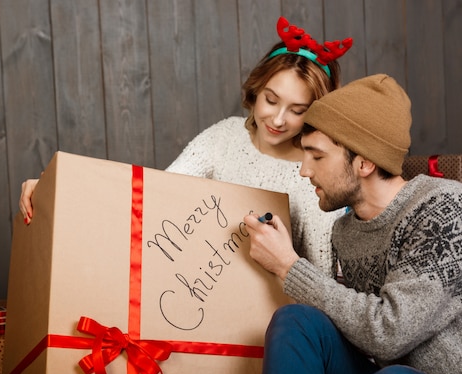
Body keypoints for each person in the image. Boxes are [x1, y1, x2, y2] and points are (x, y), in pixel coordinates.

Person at [243, 74, 462, 374]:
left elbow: (389, 332)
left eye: (317, 157)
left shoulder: (447, 208)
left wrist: (289, 267)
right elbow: (358, 328)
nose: (304, 171)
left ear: (364, 162)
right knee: (298, 322)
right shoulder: (345, 232)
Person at [19, 17, 353, 277]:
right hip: (192, 295)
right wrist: (56, 190)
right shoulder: (223, 138)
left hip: (273, 320)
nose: (278, 119)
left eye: (297, 111)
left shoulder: (316, 175)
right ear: (256, 89)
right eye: (270, 100)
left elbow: (322, 280)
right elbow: (152, 197)